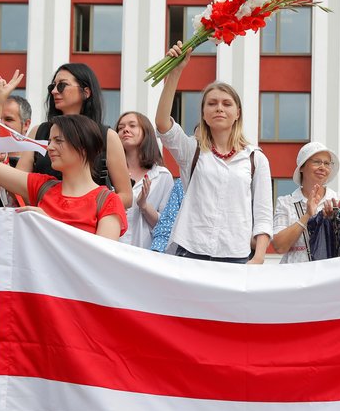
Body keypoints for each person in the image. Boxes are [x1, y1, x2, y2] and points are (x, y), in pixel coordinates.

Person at [0, 70, 127, 411]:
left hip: (85, 328)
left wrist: (49, 227)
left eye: (58, 141)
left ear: (83, 147)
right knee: (27, 409)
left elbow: (98, 262)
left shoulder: (107, 201)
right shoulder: (40, 187)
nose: (49, 146)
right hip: (35, 324)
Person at [154, 42, 272, 263]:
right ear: (204, 114)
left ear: (237, 113)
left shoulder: (256, 159)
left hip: (236, 255)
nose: (219, 108)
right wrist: (175, 74)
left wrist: (259, 257)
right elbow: (162, 124)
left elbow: (263, 213)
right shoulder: (192, 151)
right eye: (212, 103)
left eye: (227, 104)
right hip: (191, 250)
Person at [16, 63, 132, 209]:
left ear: (86, 92)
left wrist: (81, 210)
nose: (54, 92)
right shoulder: (38, 132)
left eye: (62, 85)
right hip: (43, 223)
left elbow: (126, 196)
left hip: (86, 228)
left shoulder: (107, 137)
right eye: (52, 87)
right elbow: (18, 183)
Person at [272, 141, 340, 264]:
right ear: (302, 167)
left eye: (327, 163)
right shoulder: (286, 202)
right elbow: (279, 247)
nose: (322, 167)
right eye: (317, 162)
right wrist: (306, 216)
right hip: (295, 277)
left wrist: (334, 222)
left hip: (330, 276)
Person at [117, 111, 174, 248]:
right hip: (111, 251)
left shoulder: (162, 176)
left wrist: (144, 206)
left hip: (144, 255)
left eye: (132, 125)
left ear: (146, 132)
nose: (125, 130)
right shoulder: (106, 172)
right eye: (120, 127)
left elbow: (166, 226)